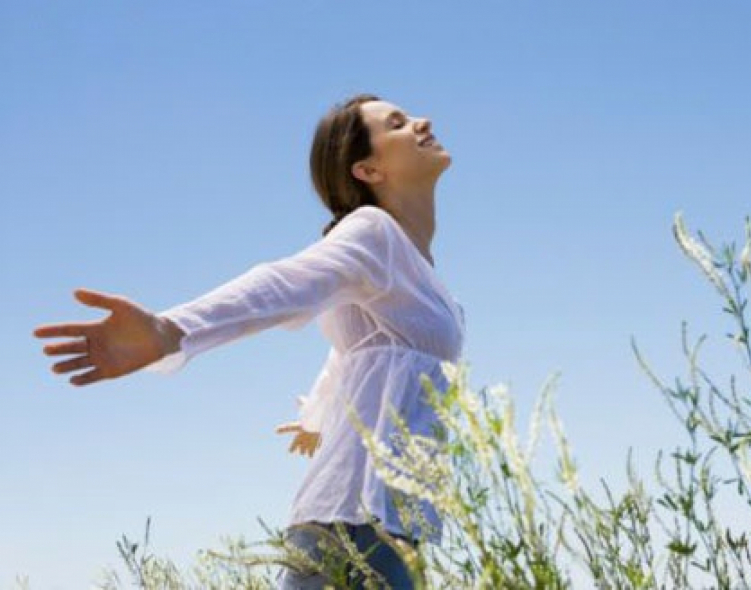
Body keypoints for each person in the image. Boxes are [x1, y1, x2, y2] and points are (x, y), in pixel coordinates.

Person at [33, 93, 465, 589]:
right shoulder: (373, 233)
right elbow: (282, 284)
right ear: (366, 169)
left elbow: (352, 346)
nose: (421, 121)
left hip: (385, 516)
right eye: (398, 123)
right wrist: (172, 330)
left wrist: (317, 414)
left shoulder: (417, 269)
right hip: (357, 518)